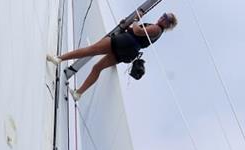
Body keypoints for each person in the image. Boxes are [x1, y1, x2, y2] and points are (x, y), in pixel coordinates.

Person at [47, 11, 178, 101]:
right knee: (97, 68)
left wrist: (136, 19)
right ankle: (78, 93)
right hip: (128, 52)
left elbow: (138, 31)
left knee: (91, 50)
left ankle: (59, 59)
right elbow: (138, 34)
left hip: (125, 42)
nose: (162, 18)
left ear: (168, 24)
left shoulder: (156, 28)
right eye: (163, 15)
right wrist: (128, 26)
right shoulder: (158, 32)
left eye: (166, 18)